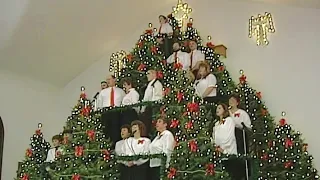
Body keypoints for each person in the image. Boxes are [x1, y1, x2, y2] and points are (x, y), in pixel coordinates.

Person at [212, 103, 240, 180]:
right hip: (219, 153)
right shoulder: (216, 124)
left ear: (225, 110)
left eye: (220, 108)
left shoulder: (229, 120)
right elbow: (214, 138)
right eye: (217, 108)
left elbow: (229, 137)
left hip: (229, 152)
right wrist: (216, 147)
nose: (217, 110)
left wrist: (223, 149)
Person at [97, 75, 125, 145]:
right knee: (106, 130)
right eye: (107, 80)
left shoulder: (120, 91)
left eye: (109, 79)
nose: (108, 81)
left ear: (114, 80)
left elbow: (124, 102)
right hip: (106, 112)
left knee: (116, 130)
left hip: (116, 112)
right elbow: (99, 104)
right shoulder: (103, 92)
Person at [229, 94, 252, 179]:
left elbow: (248, 127)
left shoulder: (242, 113)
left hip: (240, 135)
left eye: (233, 101)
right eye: (230, 101)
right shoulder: (227, 113)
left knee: (241, 153)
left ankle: (243, 174)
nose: (231, 102)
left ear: (237, 102)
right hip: (230, 136)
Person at [140, 69, 163, 135]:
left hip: (153, 108)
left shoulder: (157, 84)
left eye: (148, 73)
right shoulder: (150, 84)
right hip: (148, 107)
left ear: (154, 74)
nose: (147, 75)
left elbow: (158, 96)